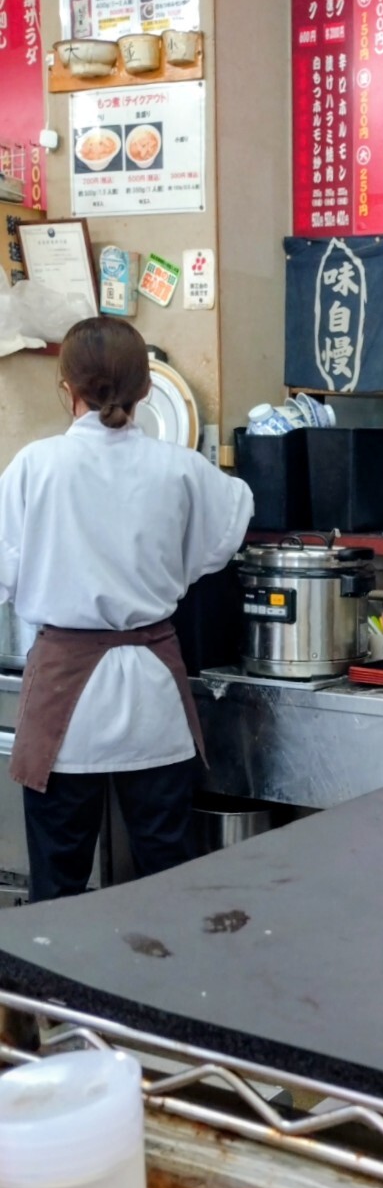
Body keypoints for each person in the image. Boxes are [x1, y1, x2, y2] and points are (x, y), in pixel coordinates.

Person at [0, 317, 254, 902]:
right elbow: (231, 519)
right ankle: (169, 988)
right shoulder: (181, 468)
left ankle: (57, 992)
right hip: (151, 693)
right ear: (147, 390)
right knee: (167, 874)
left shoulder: (35, 467)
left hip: (66, 694)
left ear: (68, 389)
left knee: (59, 881)